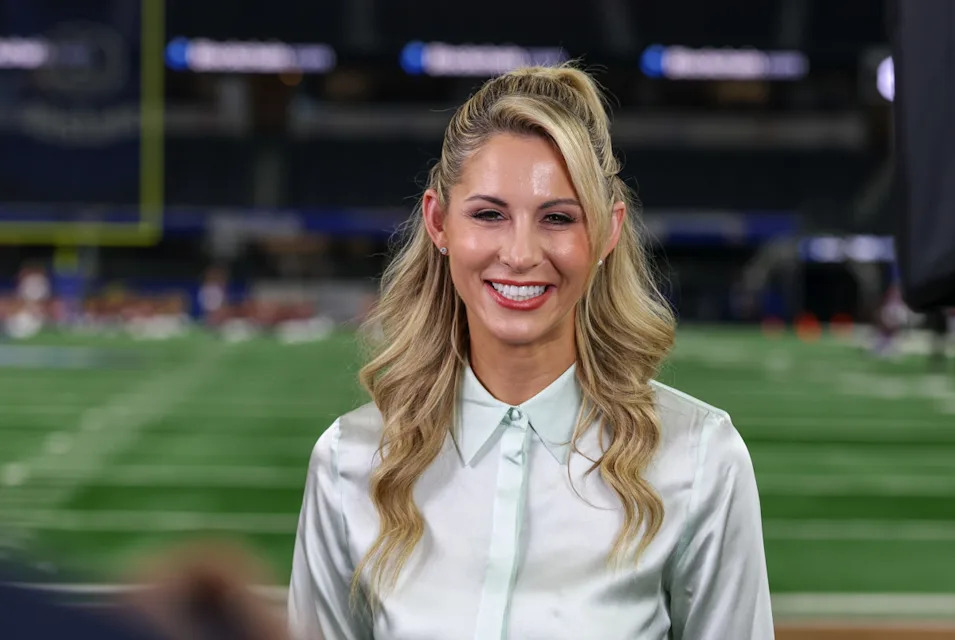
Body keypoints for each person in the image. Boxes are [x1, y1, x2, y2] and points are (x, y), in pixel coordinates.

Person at [289, 64, 773, 640]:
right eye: (490, 215)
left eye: (558, 218)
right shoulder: (348, 464)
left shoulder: (699, 460)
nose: (520, 254)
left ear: (606, 231)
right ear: (439, 223)